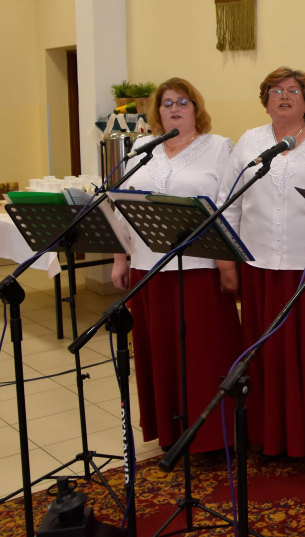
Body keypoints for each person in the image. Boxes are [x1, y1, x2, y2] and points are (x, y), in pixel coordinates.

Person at [217, 66, 305, 463]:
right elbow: (229, 202)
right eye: (276, 90)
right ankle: (271, 435)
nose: (285, 96)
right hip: (260, 267)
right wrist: (226, 261)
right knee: (269, 357)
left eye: (294, 90)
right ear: (265, 101)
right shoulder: (249, 141)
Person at [111, 78, 242, 454]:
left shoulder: (218, 148)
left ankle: (214, 436)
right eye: (167, 103)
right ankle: (170, 432)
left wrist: (227, 264)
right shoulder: (141, 148)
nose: (174, 109)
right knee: (159, 351)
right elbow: (122, 206)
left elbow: (229, 206)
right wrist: (120, 258)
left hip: (200, 268)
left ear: (196, 108)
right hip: (148, 267)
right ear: (157, 111)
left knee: (204, 353)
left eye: (183, 102)